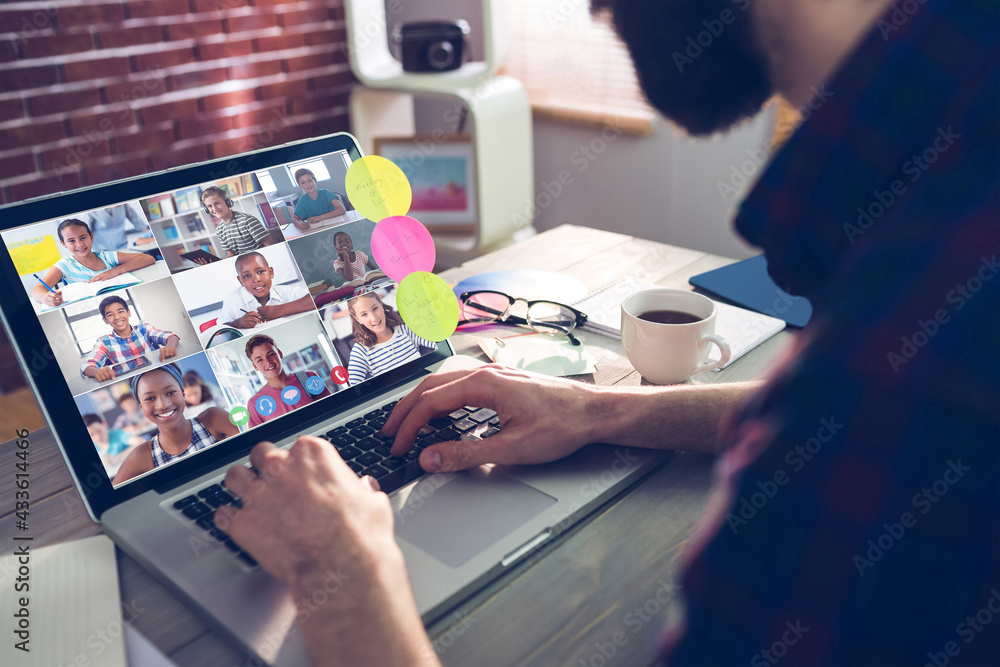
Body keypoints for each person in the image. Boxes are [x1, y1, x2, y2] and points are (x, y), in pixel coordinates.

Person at [214, 1, 1000, 665]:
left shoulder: (911, 337)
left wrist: (339, 573)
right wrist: (604, 411)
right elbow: (834, 425)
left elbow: (867, 410)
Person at [112, 363, 238, 485]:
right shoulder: (142, 456)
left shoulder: (213, 419)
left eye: (171, 392)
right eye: (150, 398)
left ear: (183, 395)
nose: (163, 405)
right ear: (142, 408)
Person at [30, 219, 155, 308]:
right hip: (88, 307)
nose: (79, 244)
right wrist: (45, 298)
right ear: (63, 244)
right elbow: (36, 291)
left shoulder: (106, 256)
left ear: (91, 237)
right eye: (71, 241)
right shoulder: (64, 265)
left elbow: (148, 258)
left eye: (83, 237)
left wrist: (115, 271)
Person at [346, 292, 436, 386]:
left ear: (381, 304)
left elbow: (438, 343)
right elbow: (353, 388)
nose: (374, 318)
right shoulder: (360, 350)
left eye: (375, 308)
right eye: (364, 314)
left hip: (424, 385)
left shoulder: (405, 329)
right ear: (357, 319)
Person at [81, 295, 179, 381]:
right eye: (110, 315)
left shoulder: (144, 328)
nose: (117, 317)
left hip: (160, 373)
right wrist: (97, 372)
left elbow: (170, 337)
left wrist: (170, 346)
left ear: (128, 313)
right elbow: (86, 366)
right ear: (105, 320)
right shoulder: (103, 342)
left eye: (120, 311)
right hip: (134, 382)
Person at [244, 334, 332, 427]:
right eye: (260, 360)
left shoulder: (308, 378)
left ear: (279, 354)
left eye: (271, 354)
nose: (268, 362)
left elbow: (333, 409)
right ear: (255, 366)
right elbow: (261, 440)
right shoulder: (254, 404)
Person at [219, 252, 314, 329]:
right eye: (247, 276)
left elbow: (316, 297)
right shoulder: (232, 300)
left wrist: (280, 310)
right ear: (241, 281)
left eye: (260, 272)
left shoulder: (284, 291)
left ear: (271, 272)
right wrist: (238, 323)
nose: (256, 279)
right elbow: (219, 329)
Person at [199, 186, 276, 261]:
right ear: (207, 209)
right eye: (209, 206)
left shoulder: (247, 220)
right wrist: (213, 263)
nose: (214, 209)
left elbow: (271, 246)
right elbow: (231, 254)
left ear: (227, 202)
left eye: (217, 203)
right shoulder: (219, 230)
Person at [84, 203, 155, 252]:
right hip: (101, 246)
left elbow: (135, 218)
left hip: (121, 243)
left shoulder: (123, 205)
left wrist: (150, 233)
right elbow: (85, 232)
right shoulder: (90, 211)